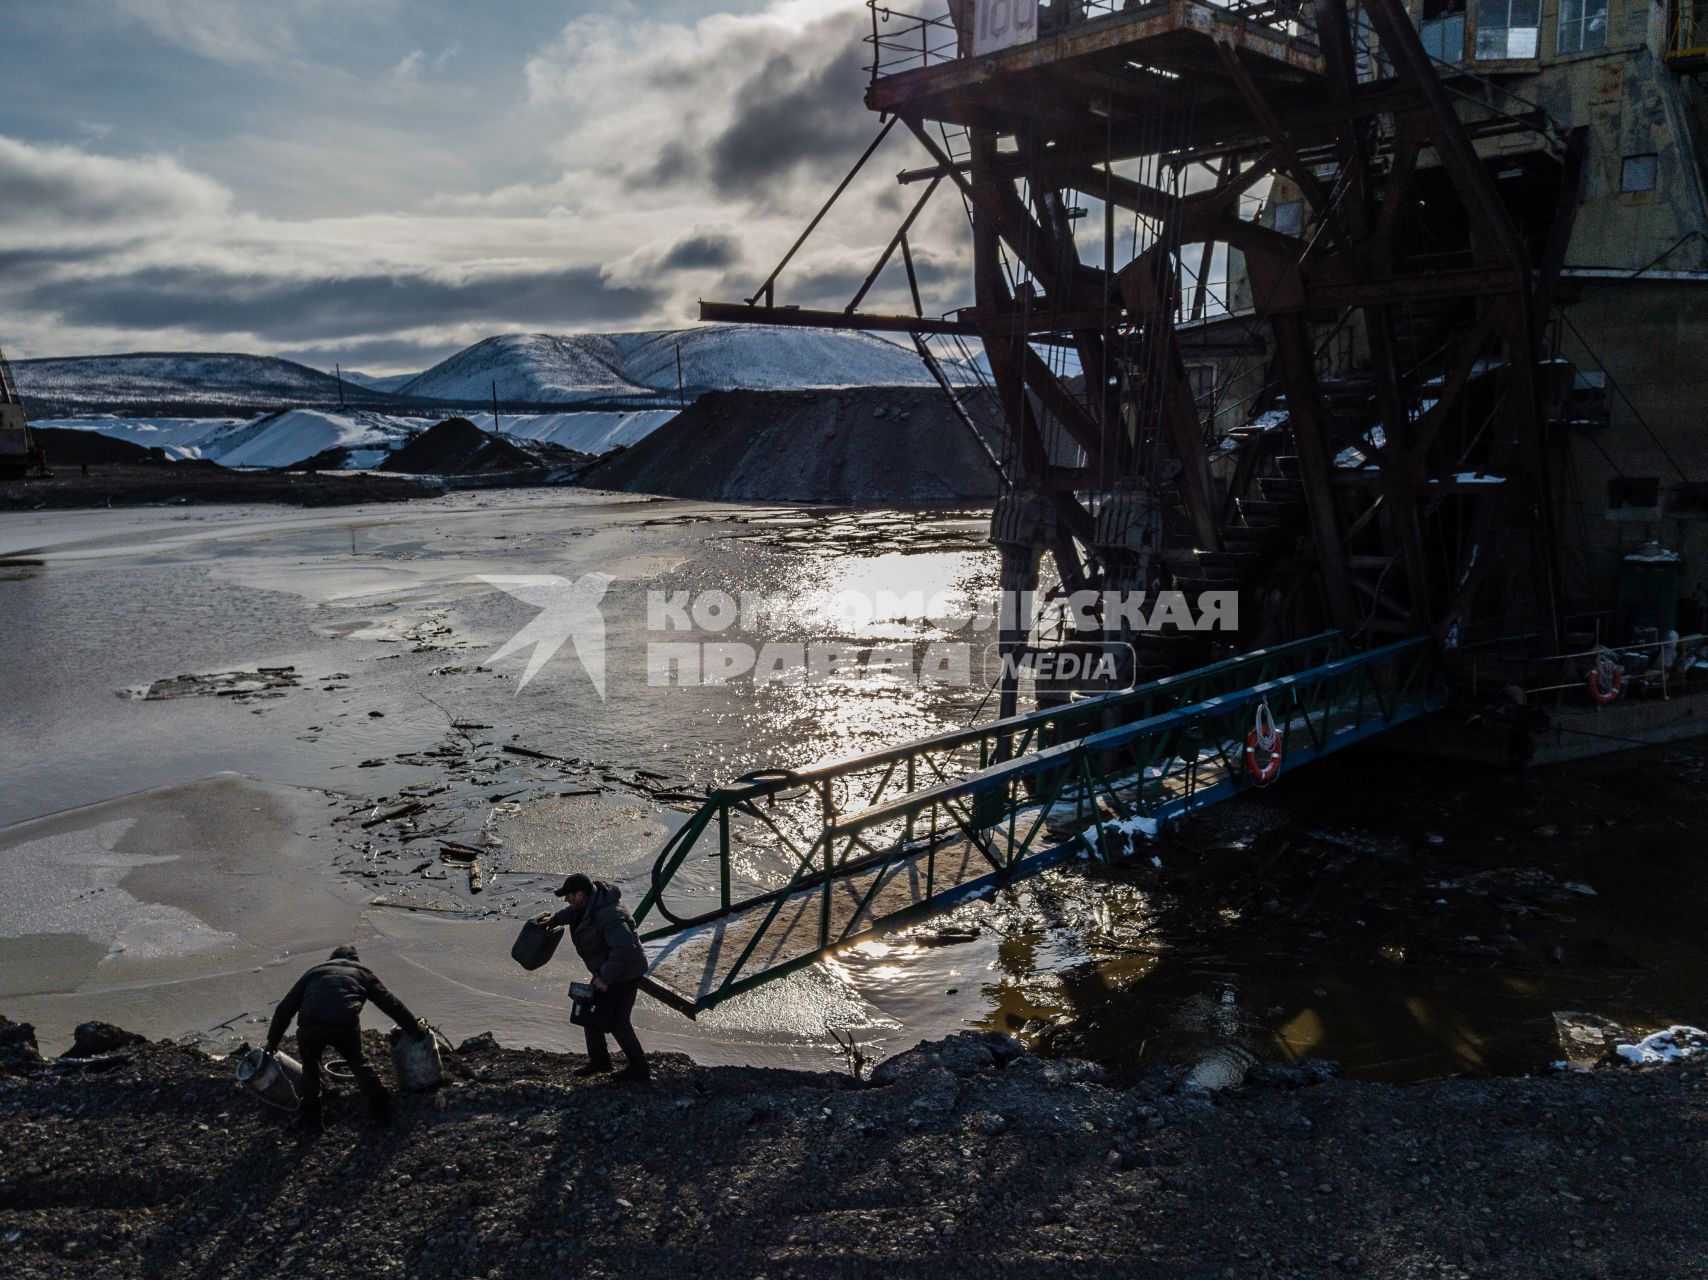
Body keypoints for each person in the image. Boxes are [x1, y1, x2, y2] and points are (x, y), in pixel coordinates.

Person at [265, 944, 428, 1132]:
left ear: (331, 958)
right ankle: (380, 1111)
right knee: (358, 1062)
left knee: (310, 1071)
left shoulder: (314, 972)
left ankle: (312, 1121)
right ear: (354, 960)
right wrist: (415, 1030)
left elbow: (285, 1008)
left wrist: (272, 1042)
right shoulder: (361, 973)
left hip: (309, 1025)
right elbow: (391, 1004)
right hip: (343, 1023)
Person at [536, 874, 650, 1082]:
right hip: (606, 970)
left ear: (580, 895)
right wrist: (554, 919)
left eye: (568, 896)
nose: (567, 900)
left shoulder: (609, 915)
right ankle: (600, 1061)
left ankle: (640, 1069)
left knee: (619, 1023)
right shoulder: (587, 905)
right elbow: (573, 913)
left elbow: (625, 949)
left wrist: (605, 979)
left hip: (624, 974)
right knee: (589, 1012)